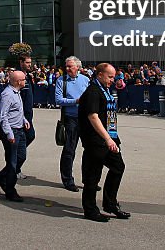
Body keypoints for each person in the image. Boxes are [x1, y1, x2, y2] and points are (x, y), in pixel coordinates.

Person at [78, 63, 129, 223]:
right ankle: (90, 209)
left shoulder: (104, 90)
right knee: (92, 176)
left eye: (114, 77)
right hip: (96, 141)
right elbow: (92, 116)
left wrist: (112, 138)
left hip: (110, 138)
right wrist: (107, 138)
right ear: (99, 74)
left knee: (118, 167)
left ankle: (110, 203)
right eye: (110, 76)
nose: (112, 80)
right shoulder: (93, 91)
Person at [54, 56, 89, 192]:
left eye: (70, 66)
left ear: (78, 67)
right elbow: (58, 100)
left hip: (86, 119)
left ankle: (88, 180)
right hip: (70, 119)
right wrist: (76, 101)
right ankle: (68, 180)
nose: (67, 69)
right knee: (69, 150)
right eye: (66, 66)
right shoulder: (61, 81)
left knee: (90, 151)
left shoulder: (85, 80)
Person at [0, 70, 30, 202]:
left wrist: (24, 120)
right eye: (24, 79)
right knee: (12, 162)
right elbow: (2, 116)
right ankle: (10, 190)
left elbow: (16, 111)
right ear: (18, 82)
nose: (25, 81)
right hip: (11, 131)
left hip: (19, 129)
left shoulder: (17, 92)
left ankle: (1, 177)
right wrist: (9, 133)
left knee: (21, 156)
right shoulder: (7, 95)